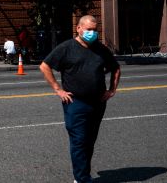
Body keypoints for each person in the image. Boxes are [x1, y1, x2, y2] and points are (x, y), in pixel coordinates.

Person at [39, 15, 121, 183]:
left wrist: (112, 90)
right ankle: (82, 179)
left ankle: (82, 175)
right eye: (89, 29)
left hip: (98, 102)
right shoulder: (67, 48)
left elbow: (116, 68)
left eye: (95, 30)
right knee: (79, 140)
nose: (92, 33)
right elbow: (44, 66)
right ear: (78, 28)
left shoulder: (100, 48)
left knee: (89, 141)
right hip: (75, 103)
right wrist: (58, 89)